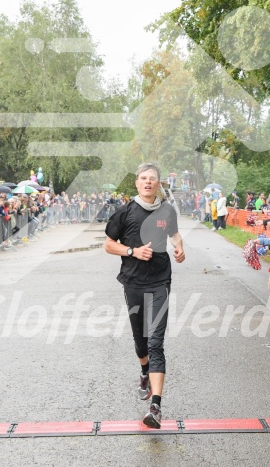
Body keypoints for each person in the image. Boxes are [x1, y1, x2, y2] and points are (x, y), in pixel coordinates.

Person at [104, 162, 185, 429]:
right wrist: (132, 252)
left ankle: (156, 407)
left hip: (160, 281)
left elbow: (174, 234)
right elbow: (108, 245)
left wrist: (179, 248)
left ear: (158, 184)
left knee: (156, 342)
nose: (148, 182)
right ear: (137, 183)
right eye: (143, 178)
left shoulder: (166, 211)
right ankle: (143, 372)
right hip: (133, 283)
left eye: (152, 179)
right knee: (141, 343)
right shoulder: (124, 212)